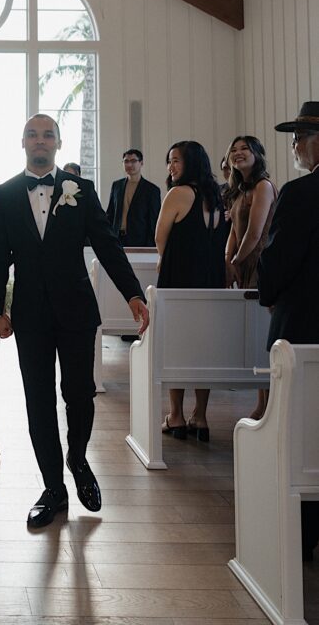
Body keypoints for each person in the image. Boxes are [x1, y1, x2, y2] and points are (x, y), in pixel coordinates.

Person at [0, 114, 148, 527]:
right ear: (22, 141)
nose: (40, 141)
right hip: (29, 315)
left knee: (79, 394)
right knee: (38, 401)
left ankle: (78, 457)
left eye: (48, 135)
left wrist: (133, 294)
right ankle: (53, 489)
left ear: (57, 143)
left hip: (77, 309)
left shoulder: (83, 191)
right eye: (33, 134)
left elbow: (109, 247)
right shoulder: (3, 196)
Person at [258, 102, 319, 561]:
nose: (294, 144)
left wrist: (269, 292)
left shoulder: (300, 194)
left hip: (304, 327)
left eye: (299, 135)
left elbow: (277, 260)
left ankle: (299, 535)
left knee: (302, 433)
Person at [155, 140, 228, 442]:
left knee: (177, 346)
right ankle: (200, 415)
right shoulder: (216, 196)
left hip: (179, 280)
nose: (171, 167)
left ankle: (175, 415)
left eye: (176, 161)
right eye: (169, 161)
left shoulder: (178, 193)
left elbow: (160, 238)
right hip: (210, 280)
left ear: (192, 163)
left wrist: (166, 262)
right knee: (203, 348)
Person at [224, 135, 277, 419]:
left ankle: (266, 404)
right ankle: (260, 401)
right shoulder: (238, 191)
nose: (238, 153)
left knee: (262, 333)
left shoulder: (263, 187)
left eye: (244, 149)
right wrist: (227, 260)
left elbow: (256, 234)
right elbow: (234, 232)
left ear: (257, 153)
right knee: (251, 334)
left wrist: (236, 260)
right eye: (234, 150)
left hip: (259, 265)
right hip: (240, 263)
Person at [106, 149, 161, 247]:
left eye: (133, 161)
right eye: (126, 161)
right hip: (117, 239)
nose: (129, 165)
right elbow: (110, 213)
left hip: (140, 241)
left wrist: (150, 246)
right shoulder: (116, 186)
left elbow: (154, 221)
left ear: (141, 163)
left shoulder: (152, 190)